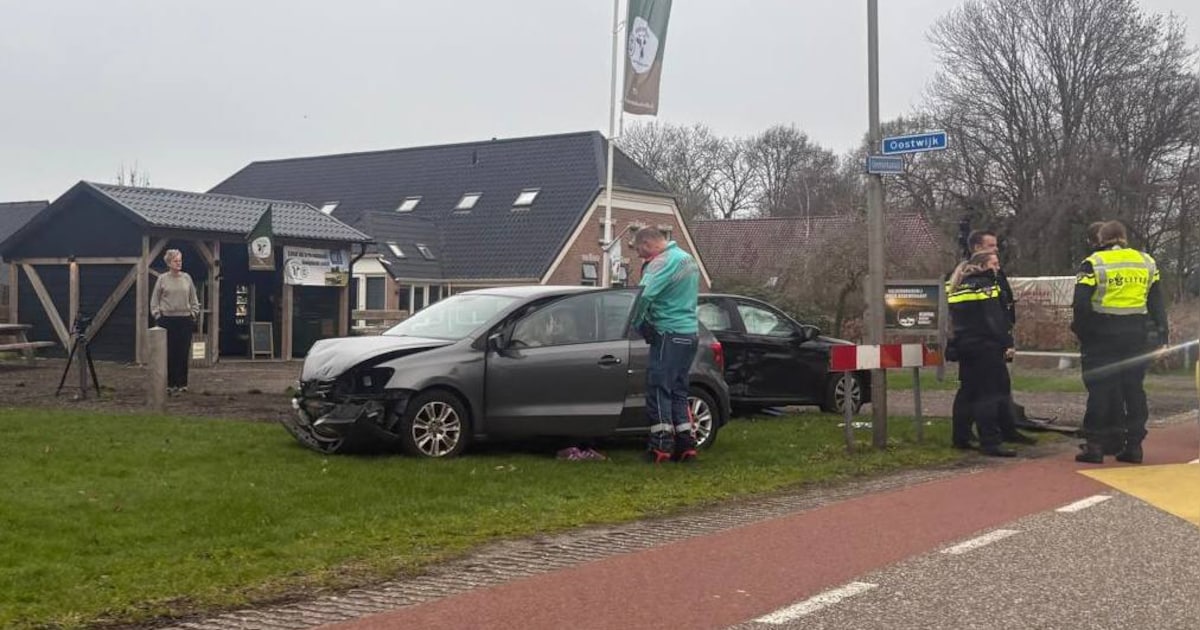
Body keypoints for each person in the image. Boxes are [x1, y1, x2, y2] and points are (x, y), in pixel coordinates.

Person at [1071, 221, 1168, 464]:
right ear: (1124, 237)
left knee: (1099, 390)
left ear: (1101, 239)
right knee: (1134, 390)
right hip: (1136, 336)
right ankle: (1134, 446)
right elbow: (1157, 303)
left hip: (1102, 336)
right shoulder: (1147, 262)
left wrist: (1084, 333)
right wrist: (1162, 336)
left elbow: (1080, 305)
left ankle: (1094, 445)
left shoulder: (1093, 263)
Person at [946, 230, 1034, 449]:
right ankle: (991, 440)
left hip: (966, 345)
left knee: (968, 391)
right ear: (983, 264)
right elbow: (993, 317)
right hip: (986, 345)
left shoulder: (957, 284)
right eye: (994, 264)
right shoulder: (985, 285)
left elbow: (950, 319)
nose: (997, 267)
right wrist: (1007, 343)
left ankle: (961, 438)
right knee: (990, 393)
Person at [629, 226, 702, 464]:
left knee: (659, 388)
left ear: (648, 244)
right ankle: (686, 444)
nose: (640, 255)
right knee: (679, 390)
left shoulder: (661, 262)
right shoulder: (686, 259)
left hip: (668, 332)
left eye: (639, 250)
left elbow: (645, 295)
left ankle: (661, 447)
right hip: (689, 333)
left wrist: (637, 320)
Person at [150, 249, 200, 394]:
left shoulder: (187, 278)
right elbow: (155, 299)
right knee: (170, 353)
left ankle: (183, 383)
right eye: (176, 261)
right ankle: (170, 384)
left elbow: (193, 298)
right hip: (167, 320)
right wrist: (157, 315)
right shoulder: (162, 279)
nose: (179, 263)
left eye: (180, 260)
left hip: (184, 319)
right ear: (169, 263)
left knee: (183, 352)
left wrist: (193, 313)